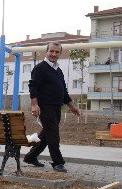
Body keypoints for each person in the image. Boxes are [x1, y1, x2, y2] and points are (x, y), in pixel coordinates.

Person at [23, 41, 80, 173]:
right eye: (51, 51)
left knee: (46, 136)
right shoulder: (40, 68)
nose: (54, 54)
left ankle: (31, 157)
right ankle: (58, 163)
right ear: (46, 52)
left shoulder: (58, 70)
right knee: (53, 136)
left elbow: (64, 92)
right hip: (45, 107)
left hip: (56, 108)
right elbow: (33, 87)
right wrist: (34, 105)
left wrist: (72, 107)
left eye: (57, 52)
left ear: (60, 53)